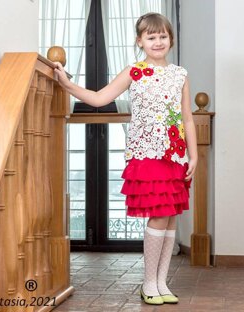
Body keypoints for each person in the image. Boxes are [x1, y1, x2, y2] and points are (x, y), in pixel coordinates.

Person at [54, 12, 198, 306]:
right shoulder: (134, 72)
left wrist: (193, 155)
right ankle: (148, 284)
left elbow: (187, 118)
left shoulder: (180, 74)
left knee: (170, 217)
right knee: (159, 214)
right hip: (147, 153)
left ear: (170, 39)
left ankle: (161, 283)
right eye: (151, 37)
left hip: (175, 154)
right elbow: (99, 98)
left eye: (163, 36)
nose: (158, 41)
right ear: (140, 41)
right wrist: (67, 86)